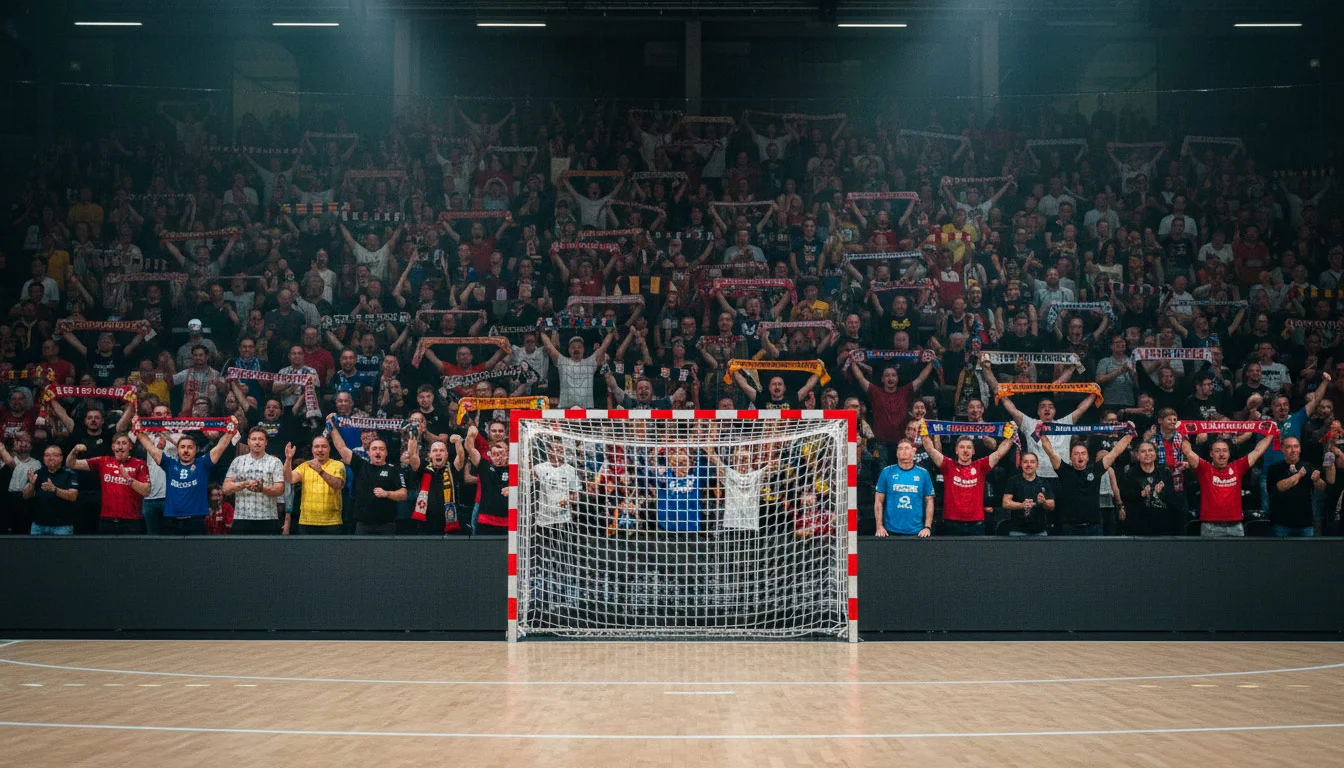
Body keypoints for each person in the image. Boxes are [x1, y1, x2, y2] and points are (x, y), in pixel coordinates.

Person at [136, 418, 237, 535]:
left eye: (190, 447)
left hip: (196, 521)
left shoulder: (203, 464)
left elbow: (220, 447)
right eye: (182, 447)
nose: (186, 450)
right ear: (177, 450)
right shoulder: (169, 464)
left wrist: (230, 430)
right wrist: (138, 431)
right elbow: (151, 449)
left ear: (196, 450)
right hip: (171, 521)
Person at [919, 423, 1017, 535]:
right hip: (951, 523)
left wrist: (1010, 436)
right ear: (956, 450)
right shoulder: (948, 465)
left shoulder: (980, 466)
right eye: (962, 447)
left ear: (973, 451)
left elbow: (999, 453)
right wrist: (924, 433)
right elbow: (930, 450)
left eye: (969, 447)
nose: (965, 450)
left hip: (976, 523)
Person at [1039, 426, 1135, 536]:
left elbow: (1115, 452)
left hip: (1094, 527)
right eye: (1076, 454)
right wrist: (1041, 433)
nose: (1080, 456)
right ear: (1070, 457)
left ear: (1088, 458)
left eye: (1083, 453)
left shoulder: (1095, 470)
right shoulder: (1064, 471)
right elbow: (1050, 451)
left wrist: (1129, 434)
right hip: (1069, 528)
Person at [1180, 429, 1275, 537]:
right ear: (1211, 454)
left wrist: (1271, 434)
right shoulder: (1204, 469)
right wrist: (1182, 433)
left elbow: (1258, 451)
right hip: (1210, 527)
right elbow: (1188, 452)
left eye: (1225, 450)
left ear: (1229, 453)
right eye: (1217, 451)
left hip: (1235, 526)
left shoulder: (1238, 467)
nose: (1221, 454)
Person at [65, 433, 151, 535]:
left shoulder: (139, 464)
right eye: (117, 443)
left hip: (132, 521)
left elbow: (146, 491)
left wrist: (129, 480)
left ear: (130, 446)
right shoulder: (103, 461)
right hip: (107, 520)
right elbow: (71, 464)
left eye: (124, 443)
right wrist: (74, 451)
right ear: (113, 447)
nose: (120, 446)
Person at [330, 425, 406, 535]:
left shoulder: (394, 469)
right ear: (368, 452)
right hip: (363, 525)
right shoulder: (360, 465)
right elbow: (342, 448)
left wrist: (387, 493)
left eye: (381, 449)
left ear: (386, 453)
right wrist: (332, 428)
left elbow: (403, 494)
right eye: (374, 449)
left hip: (387, 524)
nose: (378, 452)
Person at [222, 427, 286, 535]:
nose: (257, 442)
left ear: (266, 442)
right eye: (254, 439)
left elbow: (280, 490)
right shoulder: (238, 461)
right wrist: (244, 484)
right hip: (241, 518)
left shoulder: (275, 462)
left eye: (261, 439)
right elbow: (225, 489)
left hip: (268, 518)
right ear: (248, 441)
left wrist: (262, 488)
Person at [1265, 437, 1334, 537]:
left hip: (1305, 524)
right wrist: (1298, 475)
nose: (1293, 450)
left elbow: (1322, 488)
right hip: (1281, 524)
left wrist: (1317, 480)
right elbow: (1281, 487)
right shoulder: (1274, 468)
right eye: (1288, 447)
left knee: (1307, 552)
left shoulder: (1308, 466)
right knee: (1280, 552)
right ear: (1282, 449)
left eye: (1296, 446)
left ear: (1300, 449)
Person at [283, 435, 347, 535]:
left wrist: (320, 471)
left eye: (324, 446)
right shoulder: (305, 466)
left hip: (332, 522)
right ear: (312, 449)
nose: (320, 450)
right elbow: (289, 478)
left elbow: (338, 484)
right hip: (307, 522)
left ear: (329, 448)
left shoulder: (338, 465)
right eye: (316, 447)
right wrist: (288, 459)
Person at [873, 439, 935, 537]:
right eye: (900, 449)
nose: (904, 451)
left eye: (907, 448)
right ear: (897, 452)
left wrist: (927, 527)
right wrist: (879, 526)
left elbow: (929, 500)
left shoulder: (923, 473)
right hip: (890, 530)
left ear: (913, 451)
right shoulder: (887, 472)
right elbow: (878, 501)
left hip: (916, 531)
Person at [404, 432, 462, 535]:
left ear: (446, 454)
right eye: (435, 451)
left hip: (448, 524)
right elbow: (412, 454)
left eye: (441, 450)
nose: (438, 453)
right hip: (425, 523)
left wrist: (457, 442)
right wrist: (413, 435)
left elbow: (461, 457)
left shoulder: (452, 468)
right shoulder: (423, 468)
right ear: (430, 454)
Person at [1118, 441, 1179, 535]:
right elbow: (1125, 495)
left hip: (1163, 525)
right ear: (1137, 455)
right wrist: (1141, 494)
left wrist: (1163, 491)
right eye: (1143, 451)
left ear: (1155, 453)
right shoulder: (1130, 474)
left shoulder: (1164, 473)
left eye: (1150, 450)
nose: (1147, 454)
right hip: (1138, 526)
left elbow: (1173, 498)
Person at [23, 445, 80, 536]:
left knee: (61, 550)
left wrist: (54, 489)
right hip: (38, 525)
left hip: (62, 526)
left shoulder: (70, 474)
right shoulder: (38, 473)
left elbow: (73, 496)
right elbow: (26, 496)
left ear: (61, 458)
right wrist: (31, 484)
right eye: (47, 455)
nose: (51, 458)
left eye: (55, 455)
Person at [464, 426, 510, 535]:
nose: (498, 457)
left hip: (508, 522)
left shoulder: (516, 469)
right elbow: (469, 447)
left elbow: (528, 487)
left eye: (501, 454)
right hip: (485, 520)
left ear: (508, 454)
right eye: (495, 454)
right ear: (491, 456)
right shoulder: (485, 465)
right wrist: (471, 432)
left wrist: (515, 490)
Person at [999, 453, 1054, 536]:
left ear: (1037, 465)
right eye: (1025, 462)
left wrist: (1044, 502)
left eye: (1032, 462)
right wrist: (1022, 505)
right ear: (1021, 464)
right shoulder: (1013, 481)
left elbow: (1052, 506)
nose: (1029, 465)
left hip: (1040, 532)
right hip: (1017, 532)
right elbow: (1005, 503)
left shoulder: (1044, 482)